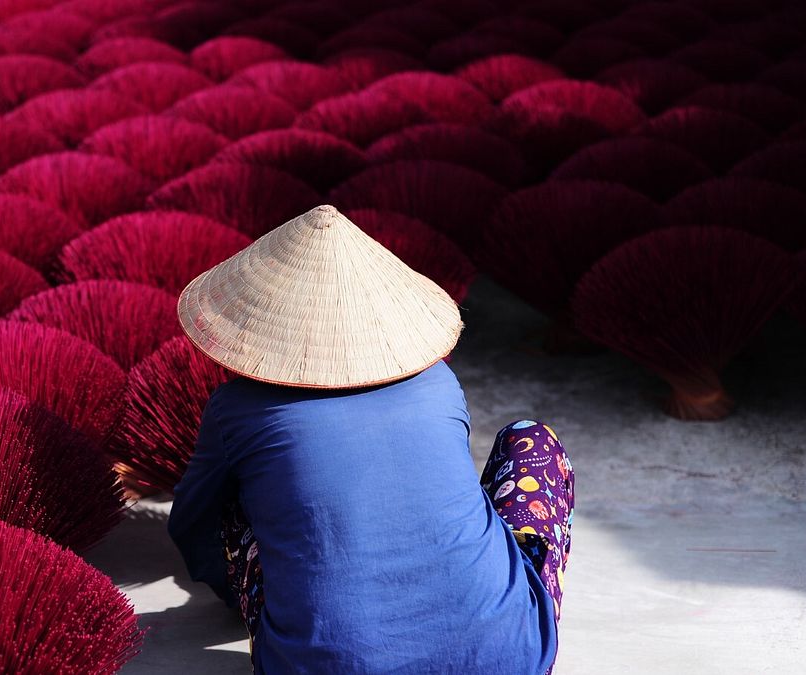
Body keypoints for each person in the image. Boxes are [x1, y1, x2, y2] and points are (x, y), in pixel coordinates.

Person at [168, 205, 574, 674]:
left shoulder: (237, 408)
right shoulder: (439, 383)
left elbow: (194, 524)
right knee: (532, 438)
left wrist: (234, 589)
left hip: (322, 666)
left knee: (241, 500)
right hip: (506, 659)